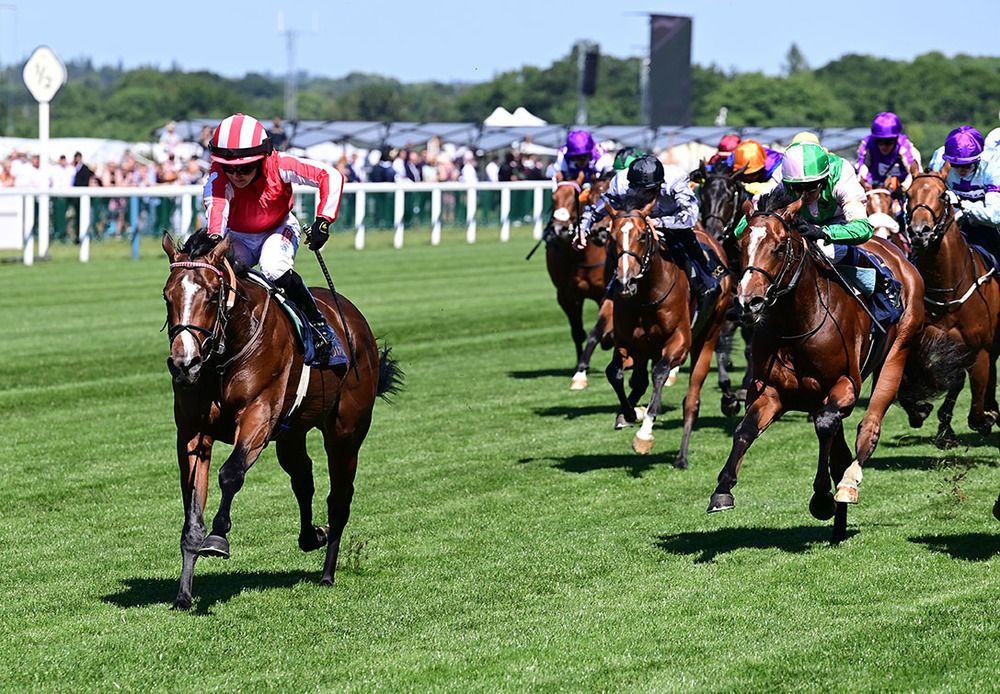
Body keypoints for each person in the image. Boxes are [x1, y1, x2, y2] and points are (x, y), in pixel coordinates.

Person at [204, 112, 347, 366]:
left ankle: (319, 327)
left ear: (262, 158)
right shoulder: (216, 177)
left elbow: (331, 176)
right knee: (218, 272)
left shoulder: (280, 164)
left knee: (274, 267)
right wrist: (215, 241)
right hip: (237, 235)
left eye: (245, 167)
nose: (237, 175)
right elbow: (216, 211)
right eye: (230, 168)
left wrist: (323, 221)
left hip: (278, 228)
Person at [575, 155, 723, 294]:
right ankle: (617, 281)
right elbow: (597, 209)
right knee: (621, 245)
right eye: (640, 190)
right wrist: (582, 229)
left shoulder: (675, 179)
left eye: (650, 190)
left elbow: (689, 217)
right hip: (637, 221)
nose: (645, 195)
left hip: (672, 219)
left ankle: (707, 281)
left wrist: (659, 222)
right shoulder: (620, 183)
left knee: (687, 242)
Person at [940, 126, 1000, 265]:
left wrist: (962, 204)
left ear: (978, 159)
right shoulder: (939, 161)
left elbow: (995, 217)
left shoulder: (992, 168)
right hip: (955, 224)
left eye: (968, 165)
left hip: (991, 229)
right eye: (955, 165)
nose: (961, 170)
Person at [855, 112, 921, 187]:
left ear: (896, 139)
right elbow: (861, 169)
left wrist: (903, 187)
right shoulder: (867, 144)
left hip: (901, 188)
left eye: (889, 141)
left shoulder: (905, 146)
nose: (883, 146)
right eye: (879, 141)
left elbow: (915, 174)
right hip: (874, 187)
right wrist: (866, 184)